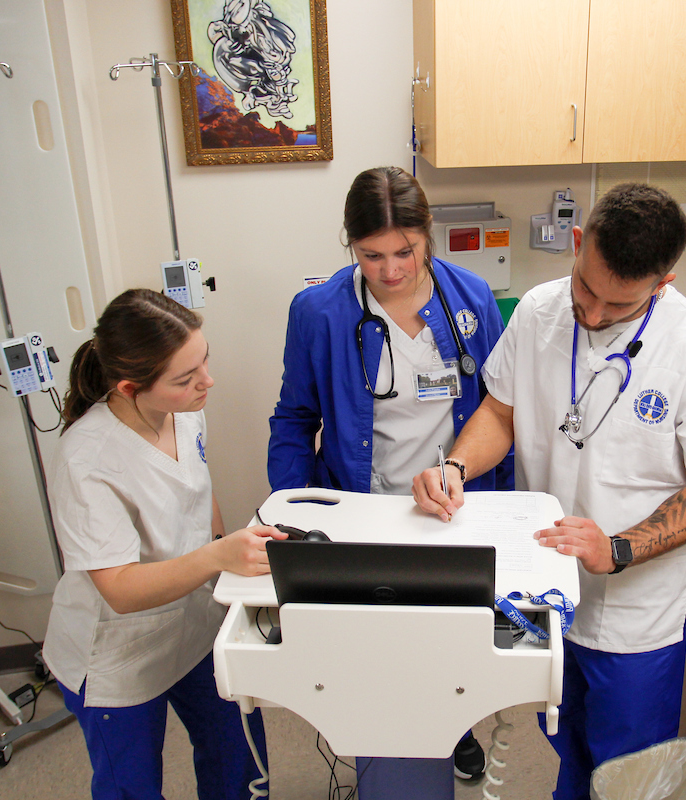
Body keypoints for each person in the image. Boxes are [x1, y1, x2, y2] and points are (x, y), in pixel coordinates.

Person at [412, 183, 686, 800]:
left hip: (635, 617)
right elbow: (500, 412)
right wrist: (457, 469)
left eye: (620, 305)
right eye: (586, 288)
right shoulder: (538, 312)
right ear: (578, 246)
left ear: (664, 283)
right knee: (566, 744)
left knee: (627, 773)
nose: (595, 314)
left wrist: (620, 548)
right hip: (543, 591)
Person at [267, 165, 511, 777]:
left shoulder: (473, 300)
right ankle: (378, 736)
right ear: (351, 246)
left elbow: (496, 410)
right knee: (378, 647)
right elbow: (294, 417)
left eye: (405, 251)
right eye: (371, 255)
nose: (391, 270)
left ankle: (455, 727)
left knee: (452, 639)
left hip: (451, 506)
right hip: (360, 509)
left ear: (428, 235)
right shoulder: (318, 312)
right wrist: (289, 510)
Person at [43, 289, 282, 800]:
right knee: (131, 788)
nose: (207, 381)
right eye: (186, 377)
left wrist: (223, 554)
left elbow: (196, 489)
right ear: (131, 386)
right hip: (117, 652)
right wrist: (217, 556)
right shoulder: (86, 460)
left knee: (235, 757)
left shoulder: (186, 410)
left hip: (192, 622)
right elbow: (121, 590)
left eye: (204, 361)